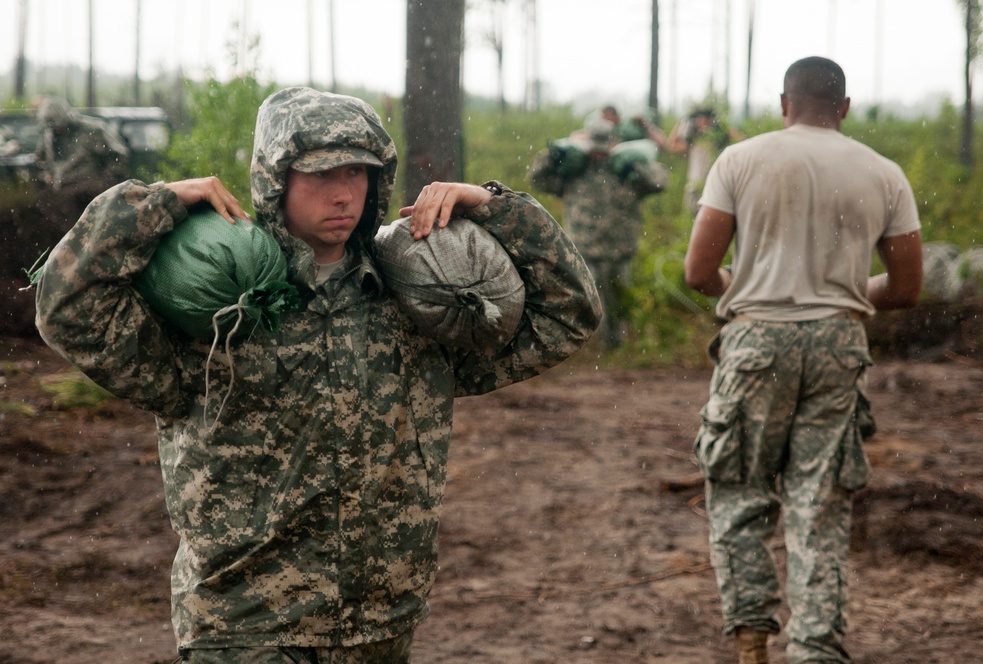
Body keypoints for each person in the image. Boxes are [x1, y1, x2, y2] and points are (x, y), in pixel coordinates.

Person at [34, 86, 601, 663]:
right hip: (247, 630)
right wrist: (152, 206)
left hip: (381, 625)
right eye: (319, 174)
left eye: (359, 172)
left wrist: (494, 206)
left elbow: (568, 315)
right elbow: (68, 307)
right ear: (276, 180)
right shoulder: (216, 303)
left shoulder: (418, 301)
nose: (343, 193)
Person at [683, 57, 923, 664]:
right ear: (844, 107)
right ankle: (816, 649)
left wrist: (749, 285)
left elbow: (698, 272)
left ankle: (750, 639)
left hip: (757, 342)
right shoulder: (884, 173)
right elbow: (904, 289)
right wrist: (838, 293)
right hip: (839, 344)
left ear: (784, 103)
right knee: (820, 506)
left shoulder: (740, 160)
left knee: (740, 492)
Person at [530, 113, 668, 348]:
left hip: (619, 246)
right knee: (585, 298)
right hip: (582, 246)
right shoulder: (573, 168)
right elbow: (539, 179)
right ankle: (585, 346)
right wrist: (550, 158)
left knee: (617, 298)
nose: (598, 153)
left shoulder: (623, 166)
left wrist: (636, 170)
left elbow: (660, 182)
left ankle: (616, 346)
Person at [33, 96, 130, 235]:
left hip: (90, 184)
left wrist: (107, 179)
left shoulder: (93, 130)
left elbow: (119, 154)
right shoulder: (50, 136)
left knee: (76, 208)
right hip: (61, 187)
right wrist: (46, 175)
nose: (55, 130)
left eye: (57, 126)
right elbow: (40, 160)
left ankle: (80, 237)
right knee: (44, 203)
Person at [666, 105, 743, 215]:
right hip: (695, 187)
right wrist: (681, 124)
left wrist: (726, 129)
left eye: (704, 119)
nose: (701, 122)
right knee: (692, 217)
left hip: (714, 187)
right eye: (699, 119)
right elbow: (672, 146)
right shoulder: (693, 138)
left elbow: (742, 142)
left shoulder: (717, 138)